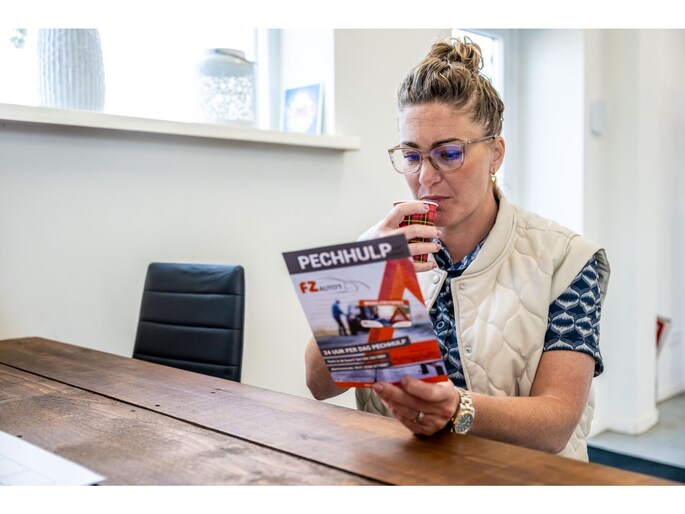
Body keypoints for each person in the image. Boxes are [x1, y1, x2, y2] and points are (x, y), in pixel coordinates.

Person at [305, 36, 610, 461]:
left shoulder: (565, 260)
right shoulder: (382, 247)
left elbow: (556, 423)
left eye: (448, 154)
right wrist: (366, 273)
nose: (426, 178)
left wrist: (456, 408)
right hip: (399, 472)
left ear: (496, 154)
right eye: (412, 155)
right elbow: (321, 385)